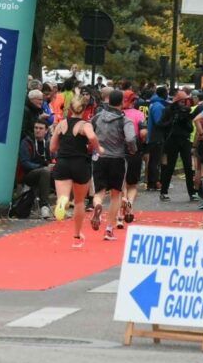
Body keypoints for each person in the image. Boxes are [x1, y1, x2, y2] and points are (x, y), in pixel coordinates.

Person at [50, 98, 100, 248]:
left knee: (63, 196)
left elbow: (52, 148)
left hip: (63, 163)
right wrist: (97, 147)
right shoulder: (85, 125)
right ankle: (77, 233)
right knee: (79, 202)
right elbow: (91, 137)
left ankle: (62, 202)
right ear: (84, 110)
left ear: (69, 110)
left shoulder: (61, 124)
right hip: (80, 164)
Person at [90, 90, 137, 240]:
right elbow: (130, 138)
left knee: (99, 192)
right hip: (117, 158)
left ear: (108, 101)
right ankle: (109, 229)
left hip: (100, 157)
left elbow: (90, 133)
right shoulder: (125, 120)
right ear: (122, 103)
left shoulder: (97, 117)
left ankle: (97, 205)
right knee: (116, 195)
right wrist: (132, 149)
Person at [158, 91, 198, 202]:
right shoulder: (168, 110)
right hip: (172, 141)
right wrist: (172, 121)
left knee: (188, 167)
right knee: (170, 167)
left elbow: (190, 128)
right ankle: (164, 192)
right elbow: (161, 125)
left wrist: (185, 120)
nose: (183, 102)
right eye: (181, 100)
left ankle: (192, 193)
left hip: (184, 141)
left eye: (185, 100)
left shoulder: (186, 111)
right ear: (176, 101)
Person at [19, 120, 53, 219]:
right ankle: (44, 206)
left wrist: (54, 165)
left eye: (41, 128)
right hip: (29, 175)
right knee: (45, 171)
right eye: (36, 128)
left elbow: (52, 159)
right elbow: (24, 162)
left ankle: (64, 204)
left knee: (65, 171)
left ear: (46, 131)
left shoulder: (47, 144)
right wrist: (41, 167)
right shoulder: (26, 142)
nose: (37, 130)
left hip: (45, 172)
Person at [121, 91, 146, 224]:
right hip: (134, 150)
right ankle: (130, 203)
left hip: (119, 149)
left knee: (121, 183)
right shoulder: (139, 114)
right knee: (132, 184)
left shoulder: (118, 114)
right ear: (133, 101)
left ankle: (120, 214)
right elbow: (143, 133)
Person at [145, 86, 169, 190]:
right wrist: (170, 122)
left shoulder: (154, 104)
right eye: (166, 93)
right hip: (156, 137)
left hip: (154, 136)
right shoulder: (158, 106)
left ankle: (153, 183)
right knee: (155, 161)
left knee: (153, 161)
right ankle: (153, 183)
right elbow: (159, 122)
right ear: (163, 94)